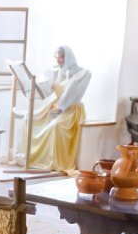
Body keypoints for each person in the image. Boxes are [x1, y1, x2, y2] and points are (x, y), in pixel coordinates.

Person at [18, 45, 91, 173]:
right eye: (57, 57)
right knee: (31, 118)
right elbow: (45, 89)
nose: (59, 60)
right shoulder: (57, 72)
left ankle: (53, 162)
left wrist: (60, 107)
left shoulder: (82, 73)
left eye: (62, 57)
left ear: (68, 57)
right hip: (55, 105)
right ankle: (32, 157)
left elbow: (71, 93)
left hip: (70, 109)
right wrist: (31, 86)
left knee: (55, 126)